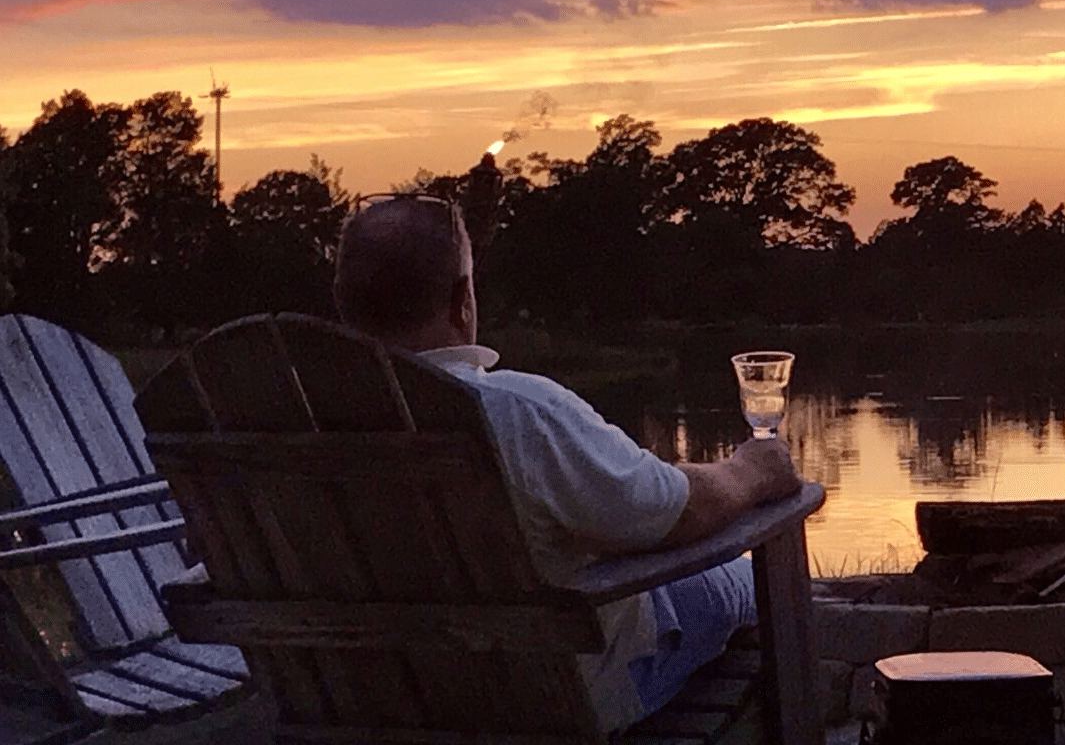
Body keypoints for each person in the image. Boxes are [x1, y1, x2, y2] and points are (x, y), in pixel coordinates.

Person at [333, 195, 801, 735]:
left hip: (372, 707)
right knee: (743, 578)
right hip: (546, 706)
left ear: (344, 304)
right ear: (463, 299)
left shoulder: (289, 423)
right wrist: (753, 471)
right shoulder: (515, 411)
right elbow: (677, 511)